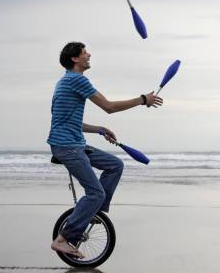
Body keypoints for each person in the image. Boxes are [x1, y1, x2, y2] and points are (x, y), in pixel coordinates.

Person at [48, 42, 163, 258]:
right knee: (95, 192)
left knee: (115, 165)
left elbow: (67, 121)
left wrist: (99, 129)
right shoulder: (76, 80)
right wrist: (142, 100)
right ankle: (63, 239)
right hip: (67, 147)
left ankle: (93, 211)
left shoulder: (63, 82)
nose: (89, 55)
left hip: (74, 143)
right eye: (84, 53)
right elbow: (109, 107)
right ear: (75, 59)